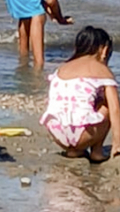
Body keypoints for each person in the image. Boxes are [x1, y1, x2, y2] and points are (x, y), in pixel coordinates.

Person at [40, 26, 120, 162]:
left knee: (83, 102)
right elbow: (115, 109)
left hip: (57, 132)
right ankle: (97, 151)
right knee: (106, 104)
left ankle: (74, 151)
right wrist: (117, 143)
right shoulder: (102, 69)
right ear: (104, 49)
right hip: (83, 133)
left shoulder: (62, 68)